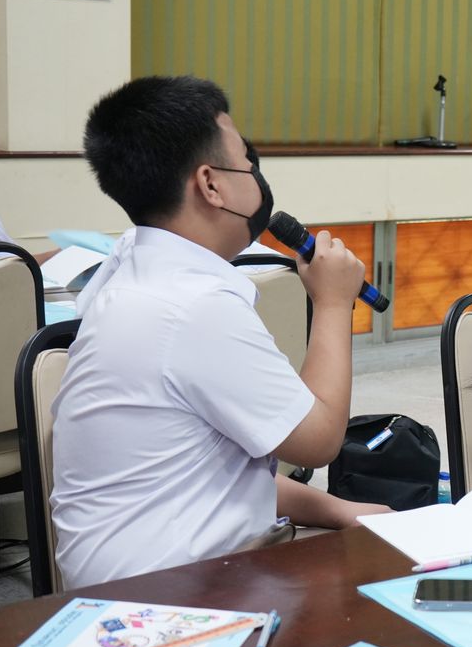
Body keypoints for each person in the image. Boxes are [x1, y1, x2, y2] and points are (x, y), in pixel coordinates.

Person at [51, 76, 387, 589]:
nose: (255, 175)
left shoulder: (136, 269)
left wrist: (338, 509)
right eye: (247, 162)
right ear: (211, 185)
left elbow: (217, 473)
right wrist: (334, 303)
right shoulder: (192, 307)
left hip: (159, 568)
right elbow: (319, 440)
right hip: (165, 597)